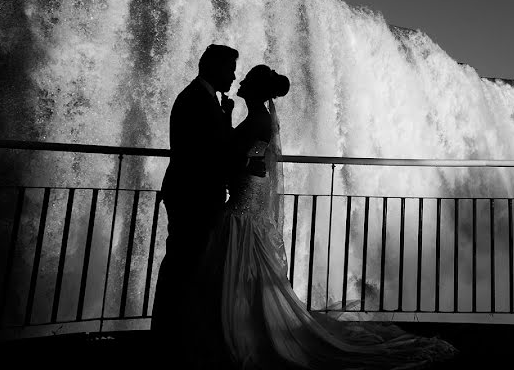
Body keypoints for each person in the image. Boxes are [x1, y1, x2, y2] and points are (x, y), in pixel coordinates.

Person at [195, 64, 458, 369]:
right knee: (249, 260)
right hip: (248, 191)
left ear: (255, 90)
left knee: (242, 255)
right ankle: (243, 324)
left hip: (245, 195)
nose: (240, 83)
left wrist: (223, 124)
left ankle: (239, 329)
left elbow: (233, 153)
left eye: (248, 81)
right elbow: (242, 154)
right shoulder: (258, 118)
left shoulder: (258, 120)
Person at [152, 44, 239, 363]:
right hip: (193, 196)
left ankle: (176, 335)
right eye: (230, 68)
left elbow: (218, 147)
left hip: (196, 195)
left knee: (187, 264)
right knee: (183, 264)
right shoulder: (197, 99)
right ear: (214, 67)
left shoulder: (204, 99)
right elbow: (211, 151)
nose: (233, 76)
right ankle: (169, 338)